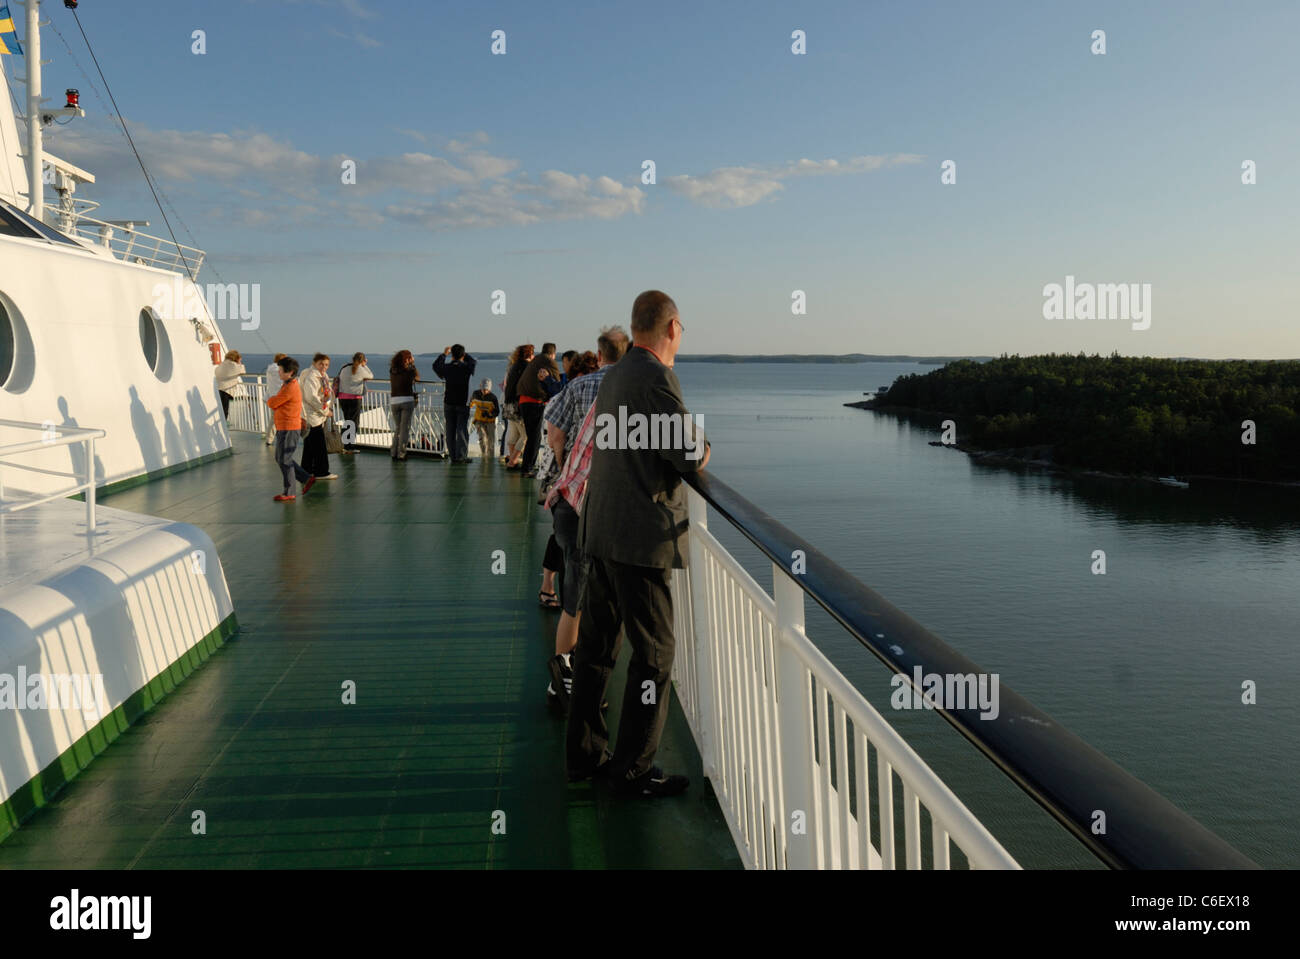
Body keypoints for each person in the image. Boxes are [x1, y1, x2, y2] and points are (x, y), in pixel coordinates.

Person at [568, 292, 709, 798]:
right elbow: (691, 453)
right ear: (672, 327)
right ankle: (631, 770)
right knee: (655, 656)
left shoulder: (617, 373)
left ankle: (583, 756)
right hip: (637, 538)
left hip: (601, 527)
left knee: (598, 647)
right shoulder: (653, 376)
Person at [542, 329, 629, 706]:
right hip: (609, 507)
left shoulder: (578, 386)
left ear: (599, 354)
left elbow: (554, 433)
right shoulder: (632, 388)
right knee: (604, 602)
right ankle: (584, 686)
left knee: (573, 597)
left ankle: (560, 681)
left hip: (570, 500)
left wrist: (566, 471)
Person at [266, 356, 315, 501]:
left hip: (290, 427)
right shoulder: (287, 385)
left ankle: (290, 491)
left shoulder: (290, 387)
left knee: (284, 459)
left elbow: (274, 402)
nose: (279, 373)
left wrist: (270, 400)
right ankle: (306, 478)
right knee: (280, 458)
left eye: (281, 371)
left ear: (290, 372)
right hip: (284, 426)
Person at [513, 342, 559, 475]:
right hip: (533, 402)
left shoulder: (536, 360)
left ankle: (528, 466)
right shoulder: (549, 362)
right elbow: (556, 386)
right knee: (534, 437)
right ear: (552, 354)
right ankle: (527, 468)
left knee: (532, 436)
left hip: (523, 401)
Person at [432, 344, 477, 463]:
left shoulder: (447, 368)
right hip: (462, 403)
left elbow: (435, 366)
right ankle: (461, 456)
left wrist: (444, 354)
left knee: (450, 429)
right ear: (463, 355)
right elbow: (472, 361)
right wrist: (463, 354)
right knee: (461, 429)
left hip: (449, 402)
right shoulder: (467, 368)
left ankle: (453, 456)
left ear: (452, 355)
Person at [299, 353, 337, 480]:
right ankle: (321, 471)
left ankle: (306, 469)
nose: (324, 367)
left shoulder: (322, 376)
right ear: (314, 363)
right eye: (321, 364)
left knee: (310, 444)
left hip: (316, 414)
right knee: (319, 445)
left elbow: (325, 393)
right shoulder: (312, 377)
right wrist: (325, 411)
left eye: (326, 365)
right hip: (312, 414)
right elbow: (311, 398)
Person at [502, 344, 533, 467]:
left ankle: (512, 460)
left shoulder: (513, 366)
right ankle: (513, 460)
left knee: (514, 433)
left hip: (508, 403)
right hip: (519, 404)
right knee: (526, 436)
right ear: (529, 354)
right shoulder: (527, 367)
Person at [337, 352, 373, 452]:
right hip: (354, 399)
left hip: (342, 398)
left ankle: (344, 444)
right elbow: (371, 375)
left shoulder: (344, 368)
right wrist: (365, 366)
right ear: (363, 360)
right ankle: (350, 446)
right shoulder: (361, 369)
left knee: (347, 421)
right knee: (354, 422)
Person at [389, 349, 419, 460]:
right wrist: (412, 364)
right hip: (406, 400)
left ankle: (393, 452)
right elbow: (417, 377)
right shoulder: (409, 370)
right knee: (404, 429)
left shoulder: (392, 370)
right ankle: (401, 453)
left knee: (398, 428)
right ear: (407, 359)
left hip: (394, 401)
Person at [469, 378, 500, 459]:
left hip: (490, 421)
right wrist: (467, 406)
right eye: (483, 389)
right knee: (482, 437)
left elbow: (497, 411)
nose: (484, 391)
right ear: (480, 387)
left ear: (489, 389)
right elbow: (470, 403)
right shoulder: (475, 394)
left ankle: (490, 457)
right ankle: (484, 455)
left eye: (486, 389)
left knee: (491, 440)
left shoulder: (493, 398)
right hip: (479, 420)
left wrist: (489, 414)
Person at [214, 350, 245, 421]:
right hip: (227, 389)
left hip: (220, 388)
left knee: (222, 410)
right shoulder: (232, 365)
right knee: (225, 410)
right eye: (239, 359)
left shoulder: (223, 363)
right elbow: (242, 370)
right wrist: (240, 363)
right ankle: (223, 427)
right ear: (235, 358)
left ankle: (223, 424)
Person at [264, 353, 287, 445]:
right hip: (281, 397)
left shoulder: (270, 369)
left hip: (272, 397)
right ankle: (282, 439)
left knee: (273, 419)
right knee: (283, 419)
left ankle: (269, 439)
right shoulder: (281, 371)